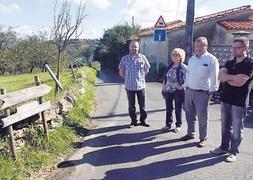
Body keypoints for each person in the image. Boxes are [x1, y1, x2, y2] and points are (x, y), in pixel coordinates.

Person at [210, 37, 253, 162]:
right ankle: (223, 147)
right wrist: (233, 78)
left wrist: (228, 78)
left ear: (245, 48)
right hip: (225, 99)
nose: (233, 50)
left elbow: (240, 83)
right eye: (232, 47)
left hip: (239, 102)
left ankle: (233, 152)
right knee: (225, 127)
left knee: (237, 129)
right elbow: (220, 76)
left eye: (236, 47)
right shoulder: (229, 61)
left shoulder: (250, 63)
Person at [180, 37, 219, 148]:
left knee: (202, 117)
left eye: (201, 45)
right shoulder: (192, 59)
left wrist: (212, 91)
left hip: (203, 93)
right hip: (189, 91)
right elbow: (188, 74)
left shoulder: (211, 59)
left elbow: (214, 76)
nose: (198, 48)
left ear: (206, 46)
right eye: (197, 46)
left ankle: (203, 138)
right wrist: (186, 86)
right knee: (189, 114)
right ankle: (190, 133)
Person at [118, 40, 151, 128]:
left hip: (141, 86)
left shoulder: (143, 58)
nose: (134, 48)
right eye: (132, 46)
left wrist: (140, 77)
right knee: (131, 106)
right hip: (129, 86)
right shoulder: (124, 59)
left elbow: (147, 69)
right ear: (129, 47)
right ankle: (133, 121)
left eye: (136, 46)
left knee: (142, 105)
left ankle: (143, 121)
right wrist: (127, 78)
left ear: (138, 48)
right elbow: (121, 71)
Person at [161, 48, 188, 133]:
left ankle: (178, 125)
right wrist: (163, 86)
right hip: (168, 90)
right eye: (173, 55)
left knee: (178, 108)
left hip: (178, 90)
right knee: (168, 108)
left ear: (181, 57)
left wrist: (182, 86)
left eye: (177, 55)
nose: (174, 56)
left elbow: (188, 79)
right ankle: (168, 124)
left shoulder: (184, 68)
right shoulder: (169, 66)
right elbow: (165, 77)